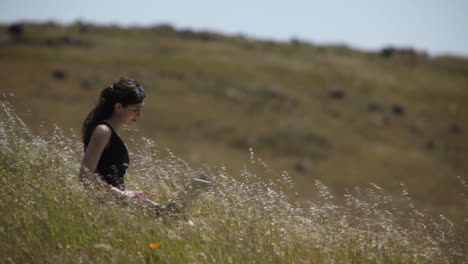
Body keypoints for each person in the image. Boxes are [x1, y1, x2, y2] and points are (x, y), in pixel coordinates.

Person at [79, 76, 158, 206]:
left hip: (118, 203)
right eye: (135, 110)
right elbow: (85, 176)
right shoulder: (103, 131)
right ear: (119, 107)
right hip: (105, 205)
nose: (139, 115)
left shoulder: (110, 132)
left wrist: (133, 196)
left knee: (177, 216)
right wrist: (122, 194)